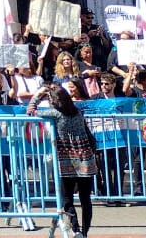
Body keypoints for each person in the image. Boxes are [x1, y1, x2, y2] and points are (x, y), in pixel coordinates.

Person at [28, 85, 98, 238]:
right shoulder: (78, 112)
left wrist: (38, 94)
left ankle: (76, 229)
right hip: (84, 156)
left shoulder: (55, 113)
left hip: (66, 158)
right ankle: (85, 232)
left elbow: (31, 110)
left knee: (67, 198)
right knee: (85, 198)